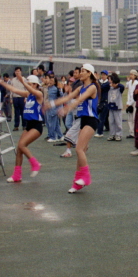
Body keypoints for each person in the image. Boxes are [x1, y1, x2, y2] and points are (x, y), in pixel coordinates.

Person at [48, 64, 100, 193]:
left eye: (83, 71)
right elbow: (68, 97)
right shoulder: (81, 87)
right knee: (81, 150)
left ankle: (86, 177)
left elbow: (80, 99)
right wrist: (52, 104)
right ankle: (77, 182)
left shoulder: (92, 87)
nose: (80, 73)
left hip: (91, 120)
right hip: (83, 121)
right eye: (80, 71)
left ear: (89, 73)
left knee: (78, 149)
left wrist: (67, 108)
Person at [0, 73, 45, 183]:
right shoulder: (28, 94)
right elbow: (14, 90)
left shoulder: (38, 94)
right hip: (28, 124)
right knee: (19, 149)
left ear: (35, 85)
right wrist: (2, 83)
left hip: (36, 125)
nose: (27, 86)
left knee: (22, 144)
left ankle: (35, 163)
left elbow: (32, 90)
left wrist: (22, 80)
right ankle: (17, 175)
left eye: (30, 84)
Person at [106, 73, 125, 141]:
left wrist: (116, 84)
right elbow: (103, 86)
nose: (109, 81)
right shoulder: (109, 87)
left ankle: (118, 135)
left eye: (110, 79)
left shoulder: (119, 88)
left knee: (118, 122)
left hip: (117, 107)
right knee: (111, 121)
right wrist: (110, 84)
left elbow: (122, 86)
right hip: (110, 106)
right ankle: (112, 134)